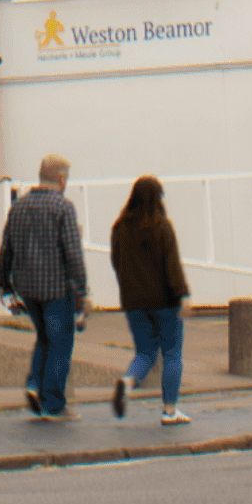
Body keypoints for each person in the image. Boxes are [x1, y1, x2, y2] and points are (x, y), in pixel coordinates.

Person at [0, 153, 87, 420]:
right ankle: (53, 403)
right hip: (56, 288)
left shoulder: (19, 207)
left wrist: (5, 286)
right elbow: (73, 254)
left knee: (44, 337)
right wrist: (83, 290)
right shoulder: (63, 208)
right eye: (66, 178)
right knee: (60, 343)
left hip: (27, 288)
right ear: (60, 179)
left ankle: (35, 384)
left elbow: (6, 251)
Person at [108, 175, 191, 426]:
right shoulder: (162, 226)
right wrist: (183, 295)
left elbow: (116, 262)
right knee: (172, 355)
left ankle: (128, 381)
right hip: (165, 302)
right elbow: (172, 266)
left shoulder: (120, 227)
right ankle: (169, 410)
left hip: (134, 302)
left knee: (145, 353)